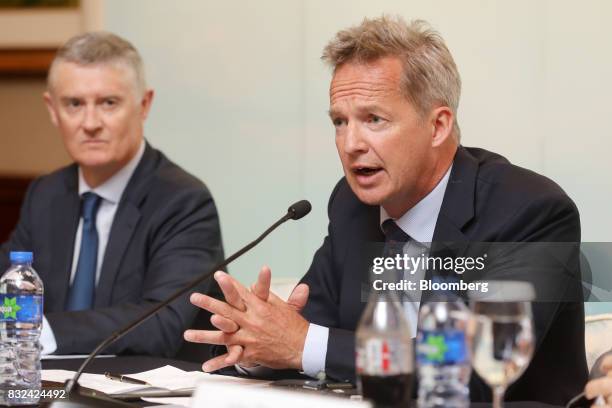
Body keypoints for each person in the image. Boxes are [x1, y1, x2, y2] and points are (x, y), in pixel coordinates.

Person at [184, 16, 587, 404]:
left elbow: (474, 369)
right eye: (340, 122)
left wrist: (301, 344)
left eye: (373, 119)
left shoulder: (529, 211)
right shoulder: (352, 205)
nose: (350, 143)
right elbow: (311, 327)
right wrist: (259, 348)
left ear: (438, 126)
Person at [0, 32, 224, 357]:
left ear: (143, 105)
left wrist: (35, 331)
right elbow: (10, 285)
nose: (90, 123)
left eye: (109, 103)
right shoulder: (47, 194)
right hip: (49, 390)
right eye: (74, 104)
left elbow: (162, 323)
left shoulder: (183, 201)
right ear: (52, 109)